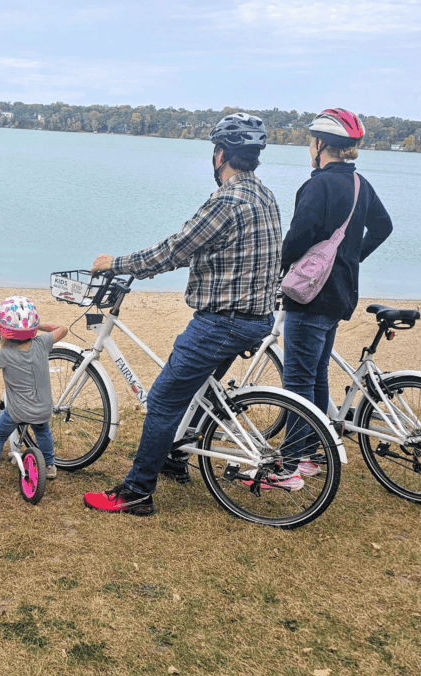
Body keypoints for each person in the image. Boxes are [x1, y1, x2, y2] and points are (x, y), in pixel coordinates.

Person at [82, 112, 284, 515]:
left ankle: (137, 492)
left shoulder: (227, 200)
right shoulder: (264, 194)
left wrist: (116, 263)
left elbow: (175, 250)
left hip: (221, 321)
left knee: (162, 402)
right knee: (199, 391)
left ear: (221, 154)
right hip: (255, 318)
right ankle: (176, 457)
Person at [278, 108, 392, 476]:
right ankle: (311, 456)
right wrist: (349, 258)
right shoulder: (360, 184)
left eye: (311, 141)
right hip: (340, 294)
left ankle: (291, 465)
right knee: (316, 373)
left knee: (297, 381)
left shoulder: (318, 185)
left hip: (309, 296)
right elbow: (383, 227)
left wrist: (278, 268)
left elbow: (298, 238)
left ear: (320, 143)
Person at [0, 296, 68, 488]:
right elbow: (63, 329)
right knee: (43, 431)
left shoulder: (3, 355)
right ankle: (50, 466)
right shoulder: (42, 344)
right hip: (43, 409)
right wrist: (37, 326)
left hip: (18, 412)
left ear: (4, 329)